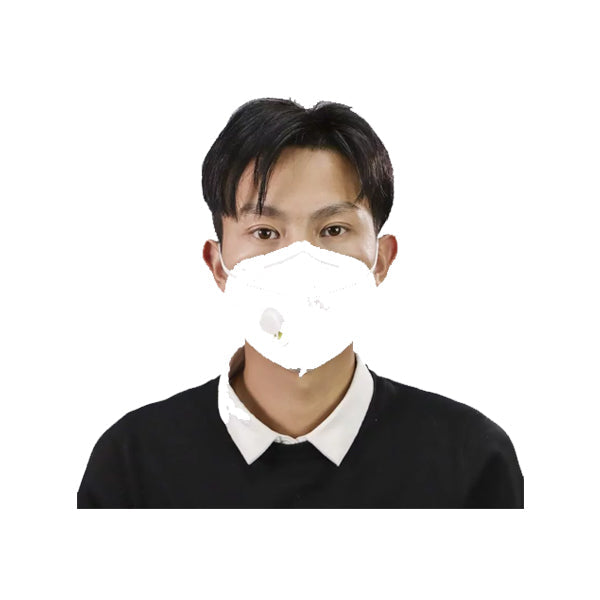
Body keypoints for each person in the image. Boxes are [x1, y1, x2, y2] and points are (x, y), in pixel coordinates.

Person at [77, 97, 524, 508]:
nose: (301, 260)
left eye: (333, 230)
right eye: (265, 232)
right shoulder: (133, 465)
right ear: (218, 265)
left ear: (381, 260)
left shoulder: (470, 461)